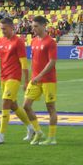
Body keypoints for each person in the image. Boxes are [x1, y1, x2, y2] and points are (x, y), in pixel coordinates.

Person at [0, 17, 42, 144]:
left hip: (13, 77)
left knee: (5, 103)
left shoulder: (18, 42)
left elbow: (24, 63)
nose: (2, 31)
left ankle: (1, 135)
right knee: (13, 105)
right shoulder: (0, 41)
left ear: (11, 27)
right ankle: (31, 127)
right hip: (3, 77)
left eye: (5, 29)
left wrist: (25, 81)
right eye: (1, 29)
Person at [23, 16, 59, 146]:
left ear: (44, 26)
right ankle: (38, 132)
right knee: (26, 105)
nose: (33, 28)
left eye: (36, 26)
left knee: (50, 108)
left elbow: (52, 61)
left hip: (48, 80)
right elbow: (34, 61)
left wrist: (40, 75)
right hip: (35, 79)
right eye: (33, 26)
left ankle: (52, 138)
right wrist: (32, 77)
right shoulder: (33, 41)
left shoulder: (50, 42)